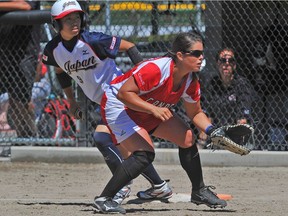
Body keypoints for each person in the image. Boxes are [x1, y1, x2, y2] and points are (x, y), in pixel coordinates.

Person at [42, 0, 172, 205]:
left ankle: (121, 187)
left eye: (77, 16)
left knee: (103, 138)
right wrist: (72, 101)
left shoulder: (93, 40)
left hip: (118, 95)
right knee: (129, 147)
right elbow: (60, 71)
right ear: (56, 25)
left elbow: (129, 46)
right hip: (101, 100)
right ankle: (159, 187)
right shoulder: (53, 49)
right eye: (67, 19)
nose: (74, 21)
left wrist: (145, 79)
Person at [96, 31, 227, 214]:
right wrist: (153, 109)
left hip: (145, 106)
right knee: (144, 153)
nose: (201, 58)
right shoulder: (156, 69)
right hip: (118, 105)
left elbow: (195, 113)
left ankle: (199, 191)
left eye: (202, 53)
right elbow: (124, 94)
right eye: (196, 53)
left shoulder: (189, 80)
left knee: (188, 138)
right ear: (180, 55)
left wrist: (213, 130)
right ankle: (105, 198)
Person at [198, 48, 258, 147]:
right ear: (217, 63)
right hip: (216, 130)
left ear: (234, 65)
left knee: (242, 125)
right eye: (223, 60)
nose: (226, 64)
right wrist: (205, 132)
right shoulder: (213, 84)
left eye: (230, 61)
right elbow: (208, 112)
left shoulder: (242, 84)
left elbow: (243, 115)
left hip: (235, 128)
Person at [0, 0, 40, 138]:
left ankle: (32, 137)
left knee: (22, 98)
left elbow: (26, 6)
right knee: (13, 98)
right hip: (4, 48)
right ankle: (23, 138)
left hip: (25, 51)